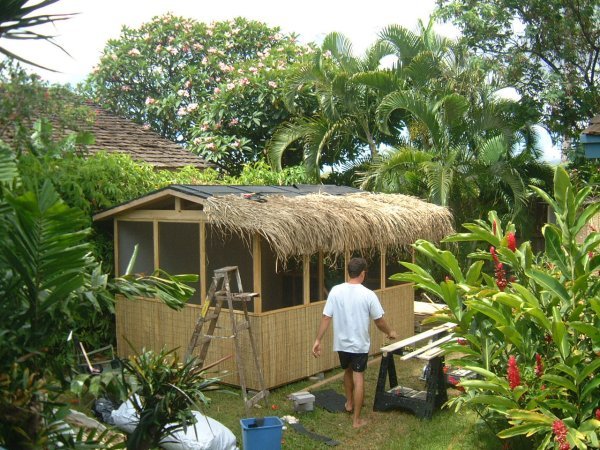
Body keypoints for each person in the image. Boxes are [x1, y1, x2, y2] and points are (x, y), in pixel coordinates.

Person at [312, 257, 397, 429]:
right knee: (359, 377)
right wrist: (390, 332)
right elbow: (379, 321)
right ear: (363, 273)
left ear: (349, 272)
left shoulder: (336, 291)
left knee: (347, 371)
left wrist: (318, 340)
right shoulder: (368, 295)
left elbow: (326, 317)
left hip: (341, 343)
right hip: (359, 345)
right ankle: (356, 420)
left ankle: (349, 403)